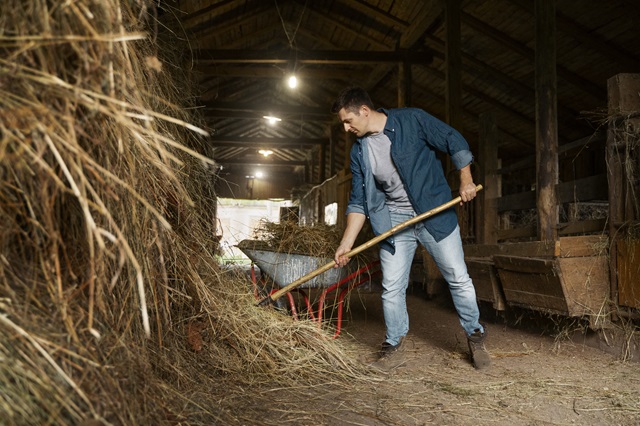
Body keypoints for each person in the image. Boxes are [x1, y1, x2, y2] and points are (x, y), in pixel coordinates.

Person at [331, 87, 490, 370]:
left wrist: (465, 179)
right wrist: (346, 244)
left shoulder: (412, 120)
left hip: (433, 212)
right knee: (391, 286)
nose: (346, 128)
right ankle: (393, 343)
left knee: (457, 276)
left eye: (347, 121)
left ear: (364, 111)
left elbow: (453, 139)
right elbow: (359, 202)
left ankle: (475, 335)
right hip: (393, 219)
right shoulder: (359, 152)